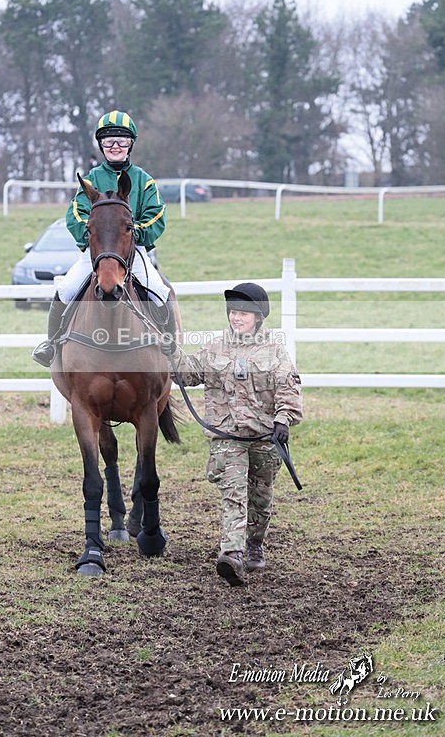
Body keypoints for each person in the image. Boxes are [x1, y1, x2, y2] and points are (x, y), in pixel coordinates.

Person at [166, 283, 303, 587]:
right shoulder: (216, 347)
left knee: (261, 499)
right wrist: (170, 352)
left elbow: (288, 387)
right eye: (233, 312)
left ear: (258, 317)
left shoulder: (274, 350)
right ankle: (232, 554)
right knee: (234, 493)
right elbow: (188, 373)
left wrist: (283, 420)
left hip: (264, 437)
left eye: (243, 313)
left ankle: (255, 542)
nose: (236, 318)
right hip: (227, 436)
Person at [33, 110, 174, 366]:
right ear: (101, 146)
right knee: (65, 289)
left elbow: (157, 216)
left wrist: (133, 234)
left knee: (160, 291)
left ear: (131, 144)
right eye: (109, 141)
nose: (116, 146)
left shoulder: (145, 181)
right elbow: (75, 214)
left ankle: (170, 347)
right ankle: (51, 345)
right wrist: (92, 238)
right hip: (97, 252)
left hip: (132, 251)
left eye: (122, 140)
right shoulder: (90, 180)